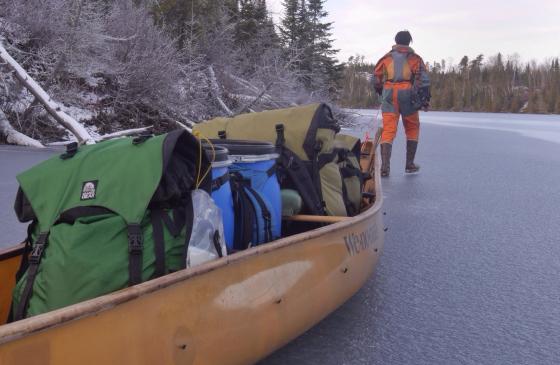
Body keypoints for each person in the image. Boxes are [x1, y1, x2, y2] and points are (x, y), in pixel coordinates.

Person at [373, 30, 431, 177]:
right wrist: (425, 100)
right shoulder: (415, 58)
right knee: (412, 127)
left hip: (389, 94)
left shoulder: (386, 58)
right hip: (408, 95)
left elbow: (375, 78)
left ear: (396, 41)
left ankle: (384, 168)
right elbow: (424, 81)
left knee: (388, 130)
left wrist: (380, 91)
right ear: (409, 42)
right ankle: (409, 165)